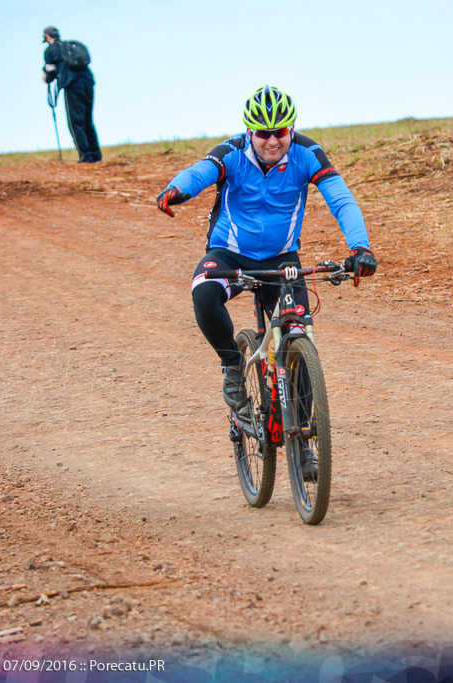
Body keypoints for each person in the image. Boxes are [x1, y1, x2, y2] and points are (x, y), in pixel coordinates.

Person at [156, 86, 377, 477]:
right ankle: (232, 366)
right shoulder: (232, 153)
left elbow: (341, 199)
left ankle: (305, 445)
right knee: (204, 293)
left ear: (291, 130)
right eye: (263, 132)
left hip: (281, 259)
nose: (273, 140)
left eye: (281, 131)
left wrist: (360, 248)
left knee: (298, 341)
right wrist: (178, 190)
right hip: (229, 254)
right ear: (249, 131)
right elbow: (200, 172)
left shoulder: (307, 154)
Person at [41, 26, 101, 163]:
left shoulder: (50, 50)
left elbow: (49, 75)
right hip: (88, 81)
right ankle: (95, 155)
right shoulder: (70, 46)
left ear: (47, 37)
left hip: (72, 84)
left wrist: (46, 76)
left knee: (75, 121)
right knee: (87, 119)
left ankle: (86, 156)